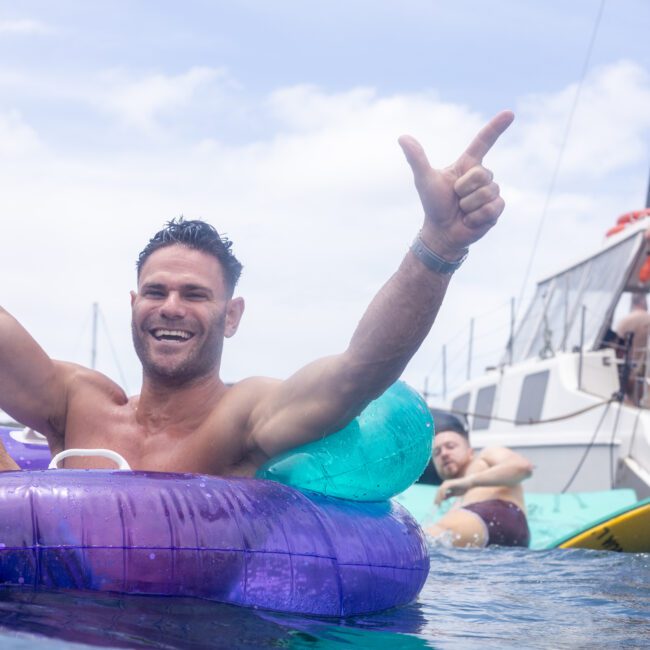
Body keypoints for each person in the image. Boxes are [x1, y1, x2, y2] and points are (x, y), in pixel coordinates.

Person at [0, 111, 514, 475]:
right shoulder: (76, 404)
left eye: (195, 295)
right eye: (155, 291)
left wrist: (440, 244)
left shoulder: (242, 417)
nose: (171, 307)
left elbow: (358, 372)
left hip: (198, 629)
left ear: (231, 316)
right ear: (134, 307)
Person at [425, 411, 533, 547]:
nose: (444, 453)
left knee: (426, 540)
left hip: (502, 514)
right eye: (437, 452)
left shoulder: (485, 456)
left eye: (450, 446)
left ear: (470, 451)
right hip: (500, 548)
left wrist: (469, 482)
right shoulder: (456, 502)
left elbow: (523, 467)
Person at [614, 292, 650, 405]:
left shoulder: (625, 321)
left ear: (633, 302)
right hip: (646, 372)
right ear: (643, 302)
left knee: (631, 402)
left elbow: (617, 349)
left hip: (629, 372)